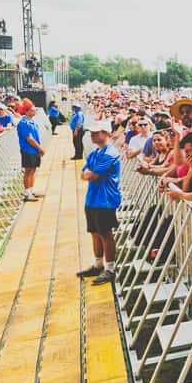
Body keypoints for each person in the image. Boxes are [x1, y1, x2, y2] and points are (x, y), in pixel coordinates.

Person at [77, 120, 122, 285]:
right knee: (94, 232)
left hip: (106, 199)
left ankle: (110, 269)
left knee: (105, 233)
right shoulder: (96, 153)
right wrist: (88, 173)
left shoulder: (110, 153)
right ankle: (98, 264)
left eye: (96, 133)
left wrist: (89, 173)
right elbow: (83, 173)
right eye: (91, 133)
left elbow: (91, 175)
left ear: (106, 133)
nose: (92, 135)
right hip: (93, 198)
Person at [17, 104, 45, 202]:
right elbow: (29, 138)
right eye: (32, 110)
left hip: (33, 150)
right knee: (28, 171)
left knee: (32, 170)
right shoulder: (23, 123)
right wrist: (40, 148)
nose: (34, 112)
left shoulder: (32, 122)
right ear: (27, 111)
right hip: (28, 150)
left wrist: (38, 149)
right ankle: (27, 193)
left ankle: (31, 190)